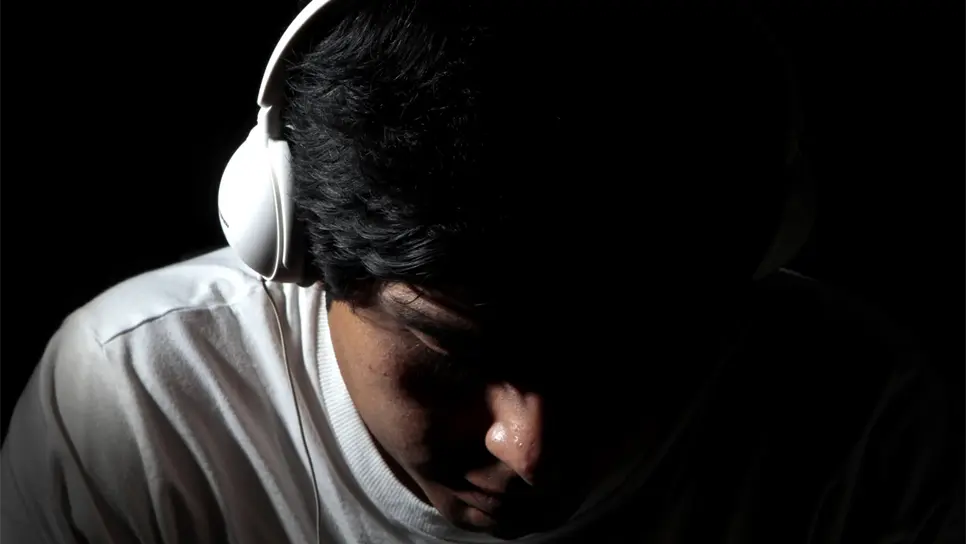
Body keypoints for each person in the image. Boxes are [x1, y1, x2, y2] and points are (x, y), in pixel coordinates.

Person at [2, 1, 962, 542]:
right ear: (290, 241)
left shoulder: (860, 414)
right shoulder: (139, 407)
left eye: (625, 358)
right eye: (454, 353)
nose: (530, 448)